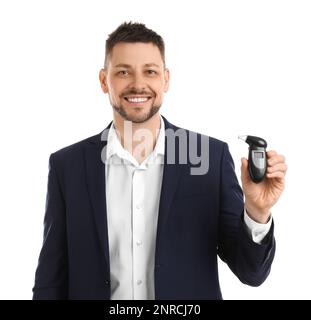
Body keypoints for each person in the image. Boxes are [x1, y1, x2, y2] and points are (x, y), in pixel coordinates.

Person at [32, 22, 287, 300]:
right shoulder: (67, 166)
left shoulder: (210, 158)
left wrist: (257, 211)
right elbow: (50, 280)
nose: (138, 84)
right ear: (104, 81)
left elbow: (251, 273)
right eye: (123, 72)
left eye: (150, 72)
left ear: (165, 79)